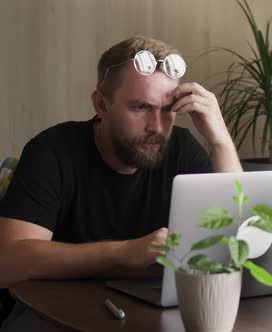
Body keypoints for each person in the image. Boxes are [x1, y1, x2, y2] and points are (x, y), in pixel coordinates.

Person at [0, 36, 242, 327]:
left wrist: (220, 140)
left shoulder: (182, 149)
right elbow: (8, 261)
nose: (156, 127)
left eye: (168, 110)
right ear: (102, 104)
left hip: (149, 314)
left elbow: (237, 241)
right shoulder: (53, 150)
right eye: (140, 107)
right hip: (51, 314)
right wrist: (123, 253)